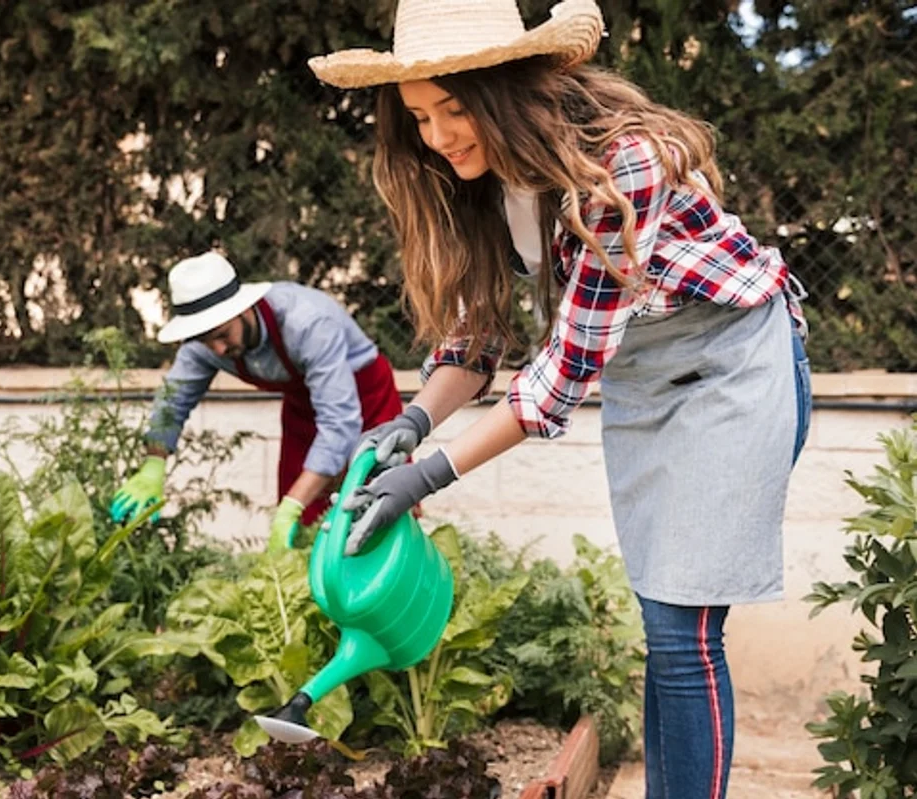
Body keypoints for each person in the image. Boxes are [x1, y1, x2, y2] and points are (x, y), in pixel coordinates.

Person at [309, 1, 812, 797]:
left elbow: (558, 379)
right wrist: (409, 422)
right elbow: (475, 339)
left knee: (685, 634)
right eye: (419, 117)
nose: (438, 137)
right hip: (646, 378)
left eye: (454, 109)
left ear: (507, 89)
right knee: (664, 621)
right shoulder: (476, 178)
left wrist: (426, 476)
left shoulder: (625, 163)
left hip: (731, 369)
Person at [108, 250, 406, 553]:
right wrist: (153, 463)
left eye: (223, 335)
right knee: (306, 529)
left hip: (368, 400)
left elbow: (340, 422)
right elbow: (173, 399)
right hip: (304, 411)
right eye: (207, 341)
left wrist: (293, 506)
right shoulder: (206, 344)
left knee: (382, 507)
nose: (218, 350)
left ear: (244, 309)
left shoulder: (306, 321)